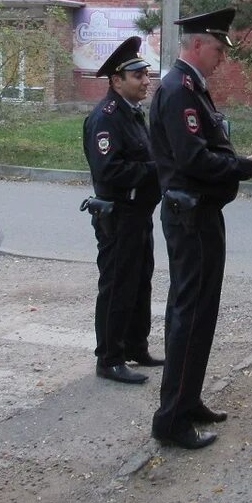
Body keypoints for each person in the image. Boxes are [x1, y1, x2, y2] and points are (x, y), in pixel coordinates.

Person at [148, 7, 252, 449]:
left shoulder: (190, 88)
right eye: (218, 49)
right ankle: (172, 420)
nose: (222, 58)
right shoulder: (179, 90)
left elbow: (205, 145)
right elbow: (193, 158)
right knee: (189, 314)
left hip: (199, 214)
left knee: (200, 313)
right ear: (197, 45)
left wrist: (240, 161)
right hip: (191, 216)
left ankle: (188, 398)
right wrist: (244, 168)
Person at [83, 36, 163, 385]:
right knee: (117, 285)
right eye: (138, 76)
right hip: (118, 214)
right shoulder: (106, 117)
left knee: (140, 280)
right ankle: (109, 358)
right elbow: (109, 170)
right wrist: (156, 169)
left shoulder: (132, 114)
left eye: (146, 74)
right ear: (117, 81)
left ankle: (135, 346)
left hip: (139, 212)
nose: (147, 81)